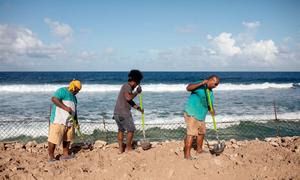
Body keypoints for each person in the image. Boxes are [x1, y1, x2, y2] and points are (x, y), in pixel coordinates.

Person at [183, 75, 220, 160]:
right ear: (210, 80)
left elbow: (209, 103)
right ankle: (187, 155)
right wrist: (201, 83)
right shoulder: (200, 86)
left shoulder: (210, 92)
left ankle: (199, 150)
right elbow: (188, 88)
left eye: (217, 85)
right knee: (191, 134)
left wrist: (212, 110)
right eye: (215, 84)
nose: (216, 86)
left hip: (201, 115)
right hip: (192, 113)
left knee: (201, 133)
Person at [48, 79, 82, 162]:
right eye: (77, 90)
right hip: (58, 120)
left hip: (70, 122)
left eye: (78, 91)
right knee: (54, 139)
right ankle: (51, 157)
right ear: (73, 87)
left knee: (67, 139)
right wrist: (66, 108)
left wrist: (76, 122)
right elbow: (54, 99)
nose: (77, 92)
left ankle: (65, 154)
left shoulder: (74, 98)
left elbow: (75, 110)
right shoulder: (62, 91)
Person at [113, 70, 144, 153]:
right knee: (131, 129)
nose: (137, 85)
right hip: (124, 113)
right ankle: (128, 149)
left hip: (117, 113)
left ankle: (120, 149)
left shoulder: (124, 86)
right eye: (137, 83)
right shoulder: (127, 87)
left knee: (121, 130)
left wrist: (138, 108)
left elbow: (128, 101)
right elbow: (128, 98)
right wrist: (137, 92)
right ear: (134, 81)